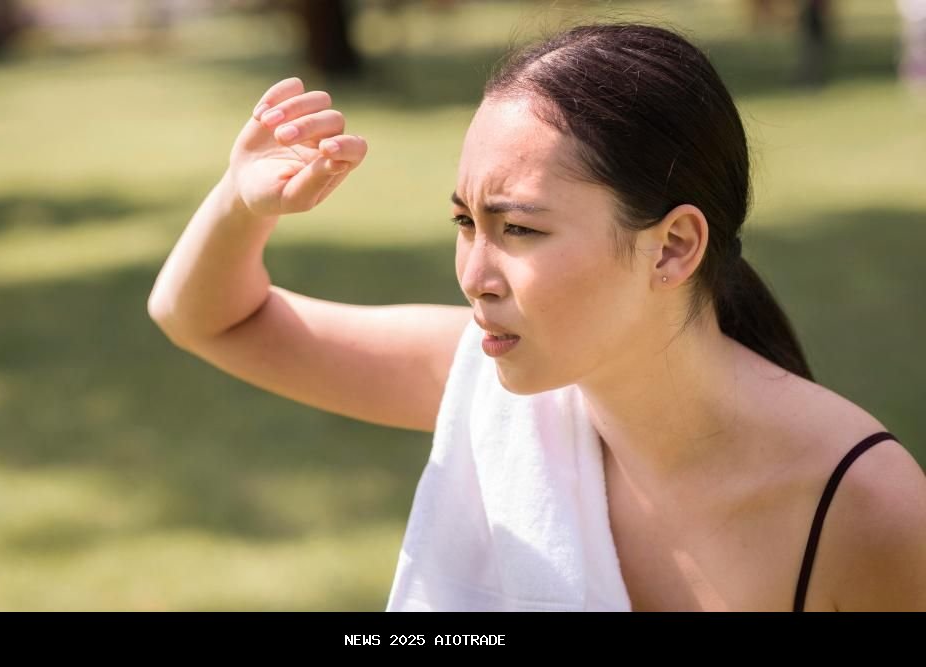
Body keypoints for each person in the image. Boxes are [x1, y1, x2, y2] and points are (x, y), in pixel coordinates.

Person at [147, 22, 926, 611]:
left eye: (518, 228)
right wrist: (239, 204)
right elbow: (206, 318)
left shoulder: (868, 509)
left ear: (673, 246)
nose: (474, 275)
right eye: (465, 223)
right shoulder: (484, 385)